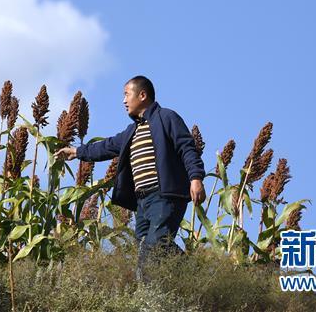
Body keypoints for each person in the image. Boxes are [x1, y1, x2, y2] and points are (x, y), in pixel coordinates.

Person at [54, 75, 205, 280]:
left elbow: (187, 148)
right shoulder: (132, 131)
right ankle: (192, 273)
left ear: (142, 95)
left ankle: (155, 291)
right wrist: (76, 151)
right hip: (142, 201)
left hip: (164, 196)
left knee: (153, 247)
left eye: (127, 95)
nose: (124, 101)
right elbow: (106, 146)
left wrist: (196, 178)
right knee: (143, 250)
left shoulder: (166, 118)